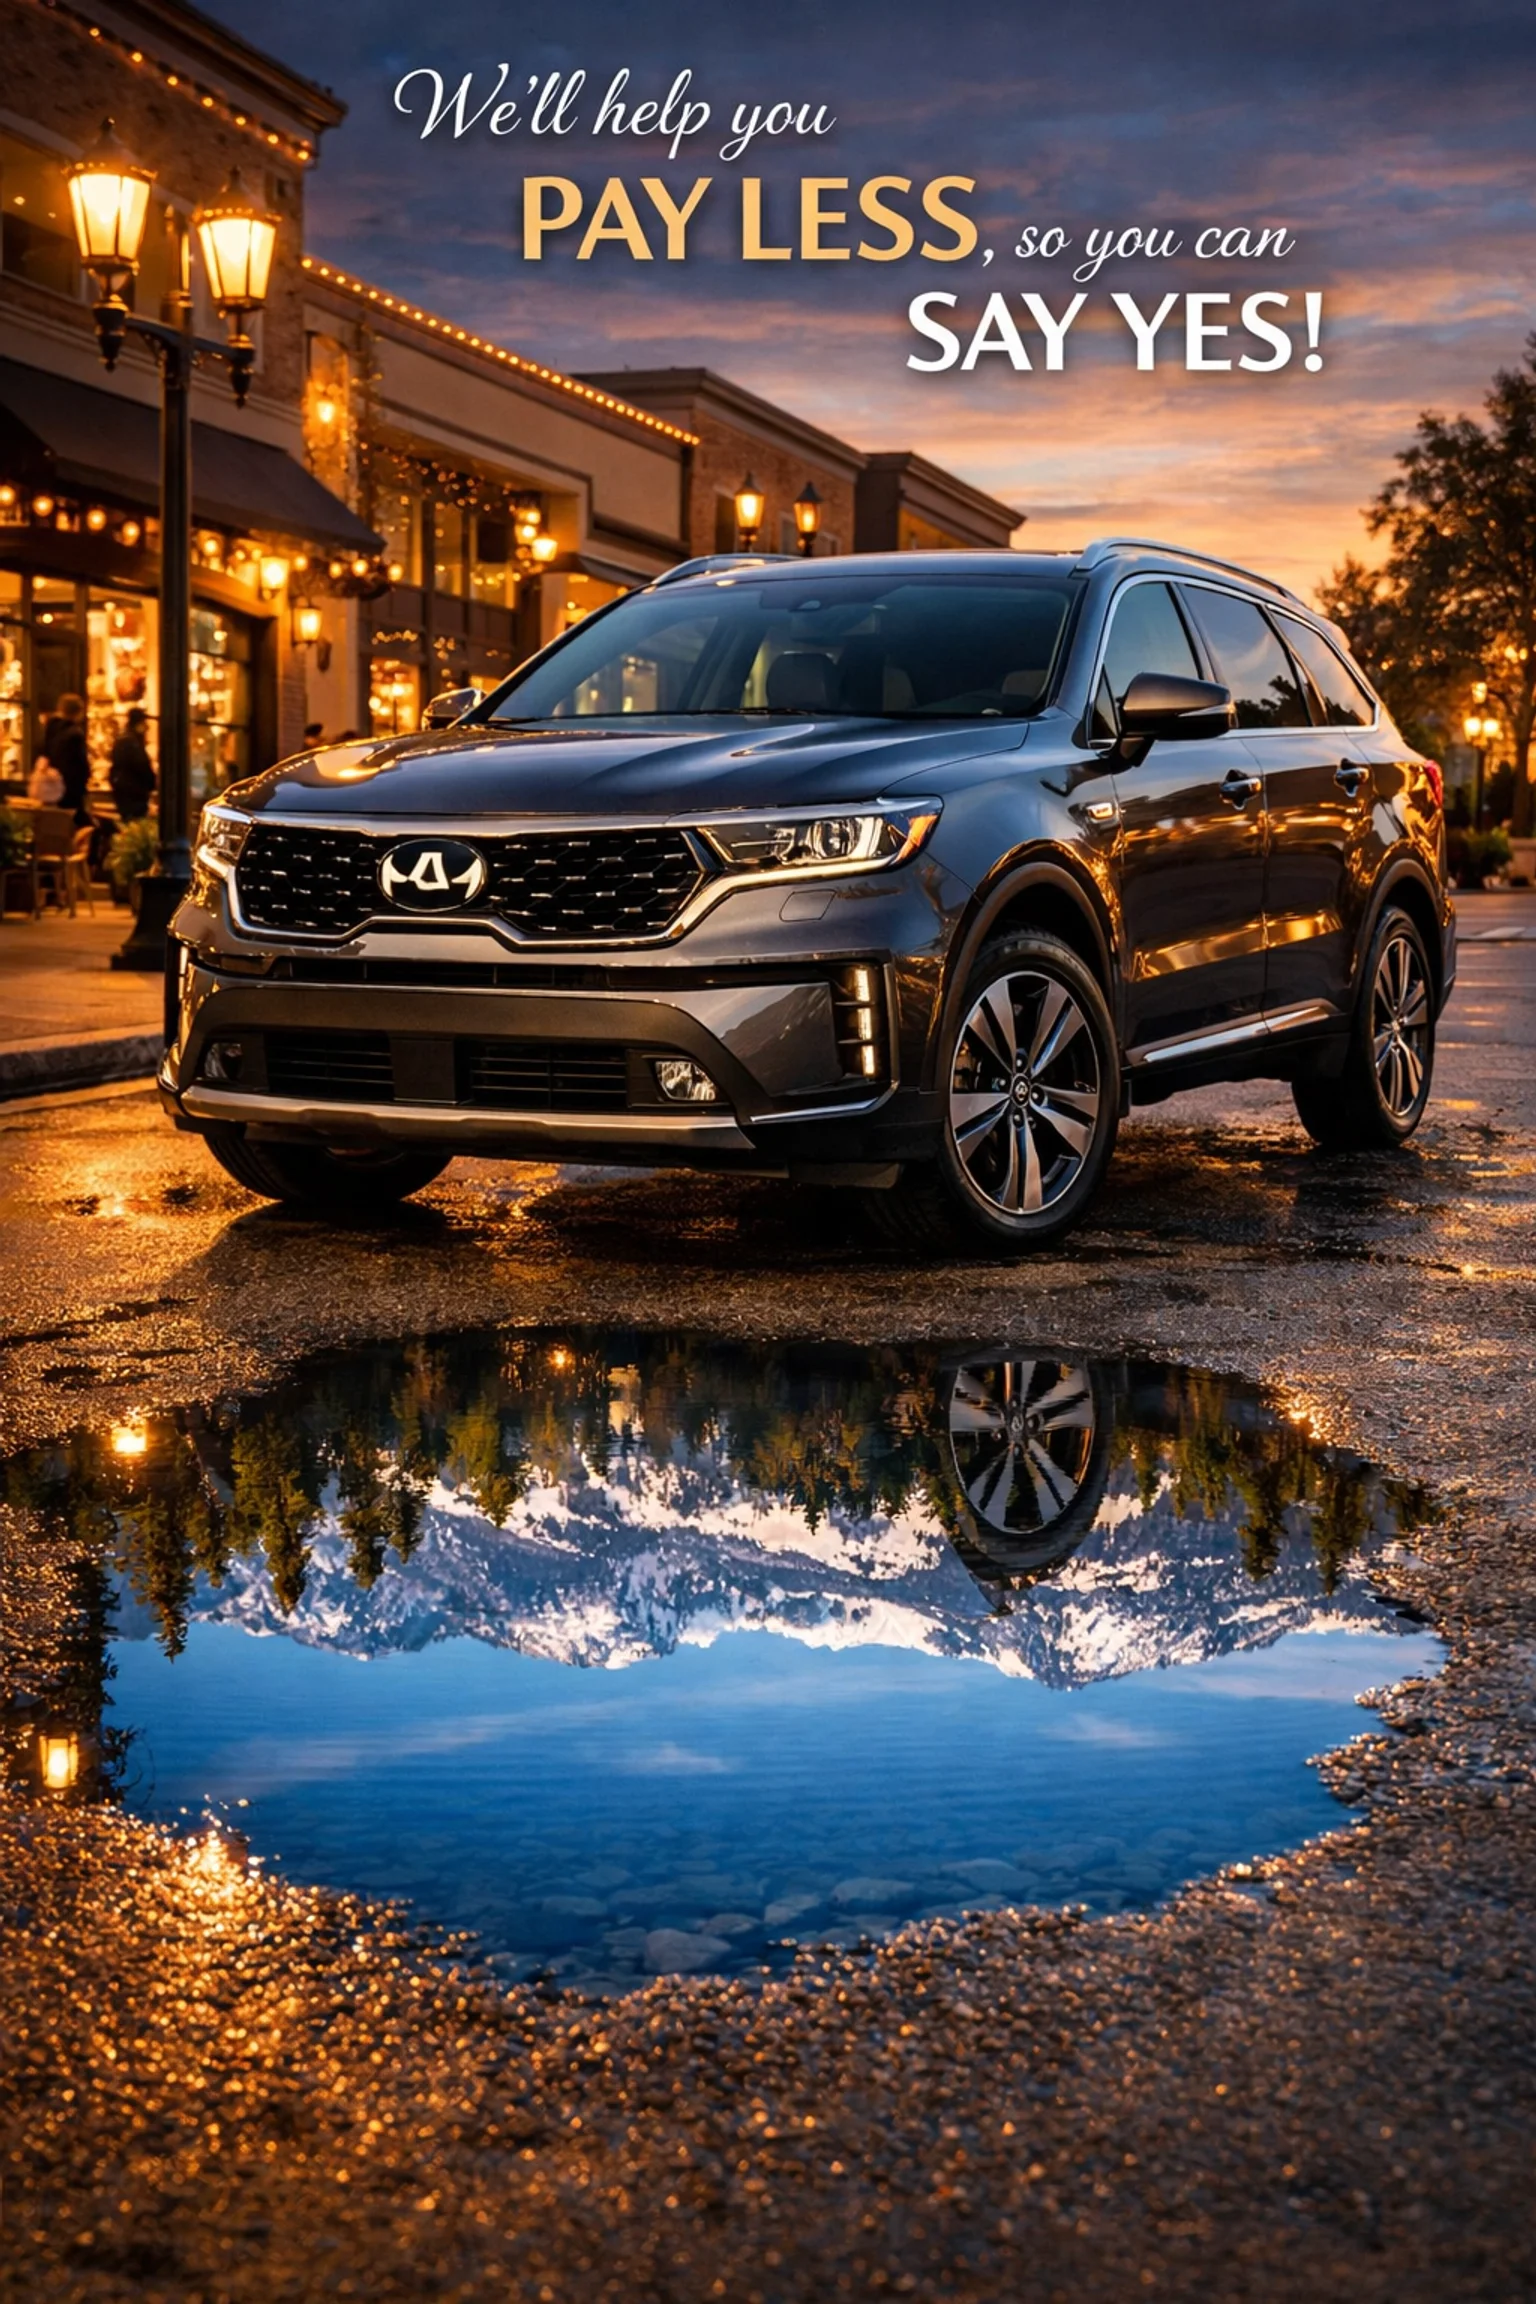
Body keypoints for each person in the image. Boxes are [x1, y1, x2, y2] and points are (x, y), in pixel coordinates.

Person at [43, 694, 90, 823]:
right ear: (78, 712)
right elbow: (81, 764)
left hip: (50, 788)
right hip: (71, 789)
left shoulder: (51, 729)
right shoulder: (75, 734)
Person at [108, 707, 157, 821]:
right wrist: (151, 782)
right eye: (144, 723)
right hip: (134, 794)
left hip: (124, 792)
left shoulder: (123, 739)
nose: (147, 727)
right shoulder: (132, 743)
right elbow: (141, 766)